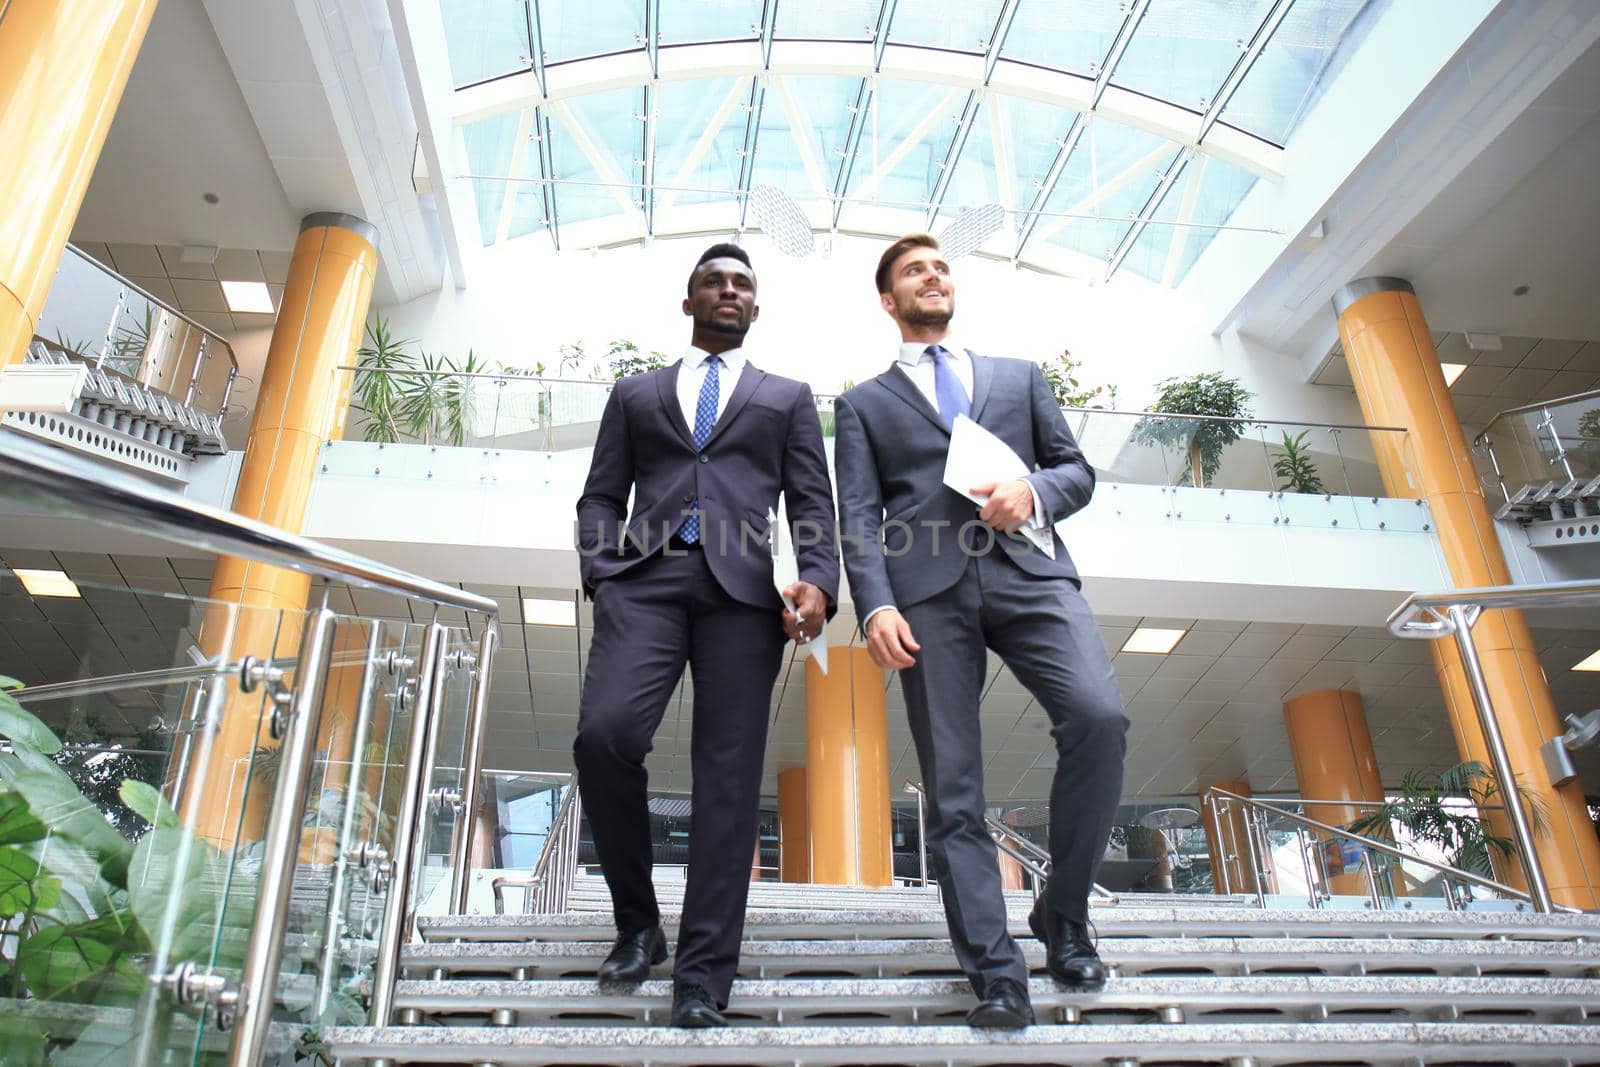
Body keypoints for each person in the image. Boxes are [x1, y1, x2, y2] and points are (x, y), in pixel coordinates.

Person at [832, 233, 1128, 1029]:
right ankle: (997, 974)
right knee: (955, 789)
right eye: (912, 271)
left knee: (1100, 716)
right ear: (889, 301)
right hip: (926, 590)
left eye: (939, 266)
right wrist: (876, 604)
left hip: (1030, 572)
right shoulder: (862, 404)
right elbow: (857, 517)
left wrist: (1033, 490)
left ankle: (1063, 915)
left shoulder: (1018, 377)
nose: (932, 275)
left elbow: (1076, 470)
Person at [573, 243, 839, 1028]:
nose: (728, 290)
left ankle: (703, 975)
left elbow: (811, 505)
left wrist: (819, 582)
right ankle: (638, 922)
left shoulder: (786, 397)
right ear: (688, 303)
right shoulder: (636, 392)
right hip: (645, 580)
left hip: (743, 593)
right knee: (604, 735)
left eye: (742, 284)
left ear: (755, 307)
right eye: (713, 282)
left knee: (726, 781)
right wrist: (603, 569)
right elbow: (599, 496)